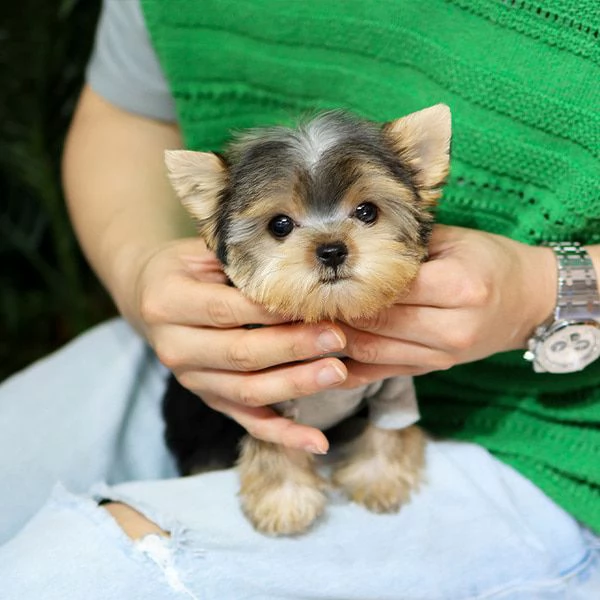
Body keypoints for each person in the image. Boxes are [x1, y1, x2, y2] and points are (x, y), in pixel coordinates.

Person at [1, 1, 599, 598]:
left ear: (419, 180)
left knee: (69, 575)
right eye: (281, 226)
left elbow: (394, 396)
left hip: (553, 435)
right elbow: (127, 114)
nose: (331, 245)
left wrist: (547, 288)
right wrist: (140, 273)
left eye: (365, 212)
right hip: (192, 345)